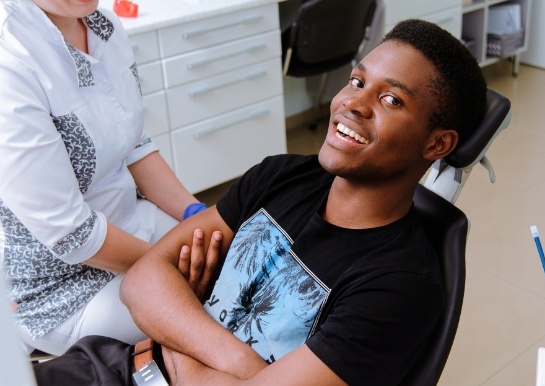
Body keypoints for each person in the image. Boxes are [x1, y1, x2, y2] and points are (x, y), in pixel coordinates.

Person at [32, 18, 487, 385]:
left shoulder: (400, 286)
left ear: (436, 145)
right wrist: (244, 367)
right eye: (355, 80)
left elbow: (160, 301)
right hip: (115, 366)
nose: (352, 103)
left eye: (390, 99)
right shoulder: (283, 175)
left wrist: (178, 330)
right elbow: (143, 282)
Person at [0, 0, 205, 356]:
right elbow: (72, 234)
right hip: (59, 287)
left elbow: (134, 144)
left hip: (129, 221)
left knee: (233, 260)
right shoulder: (10, 63)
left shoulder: (103, 26)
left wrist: (195, 213)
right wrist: (171, 263)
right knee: (212, 312)